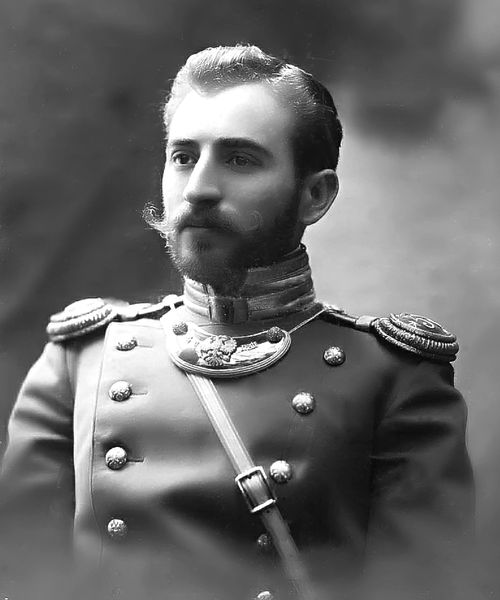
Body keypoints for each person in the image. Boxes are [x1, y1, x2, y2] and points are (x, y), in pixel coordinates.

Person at [0, 45, 473, 600]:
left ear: (315, 195)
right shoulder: (81, 361)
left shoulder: (393, 379)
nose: (198, 188)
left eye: (240, 159)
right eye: (183, 157)